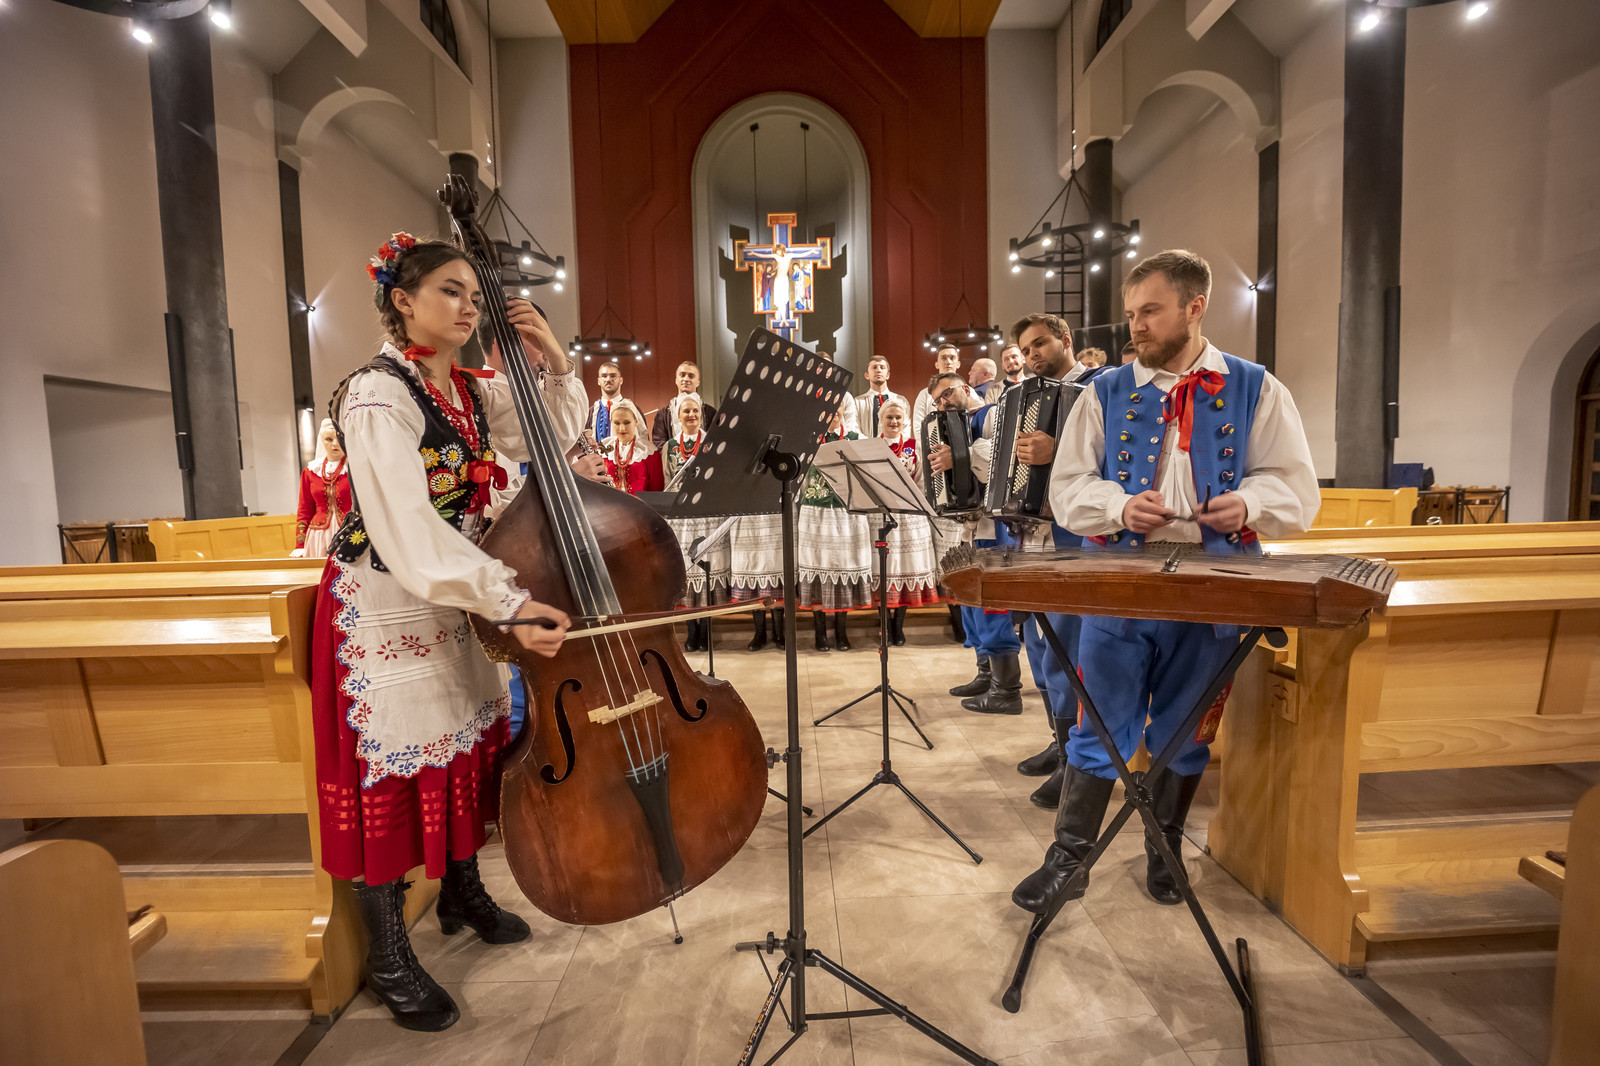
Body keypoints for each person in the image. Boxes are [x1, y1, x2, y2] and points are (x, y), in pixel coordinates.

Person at [312, 232, 584, 1032]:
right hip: (385, 601)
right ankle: (389, 955)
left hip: (453, 594)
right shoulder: (378, 393)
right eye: (451, 292)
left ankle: (462, 893)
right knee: (394, 771)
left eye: (475, 295)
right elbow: (404, 523)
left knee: (469, 745)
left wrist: (555, 359)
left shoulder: (465, 390)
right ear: (403, 300)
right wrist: (505, 599)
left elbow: (546, 434)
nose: (469, 307)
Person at [1011, 249, 1318, 916]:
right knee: (1099, 723)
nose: (1137, 326)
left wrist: (1250, 504)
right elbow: (1068, 488)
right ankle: (1069, 860)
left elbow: (1295, 488)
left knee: (1187, 728)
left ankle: (1165, 845)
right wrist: (1120, 506)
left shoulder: (1255, 387)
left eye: (1149, 311)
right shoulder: (1104, 392)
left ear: (1194, 307)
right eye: (1131, 314)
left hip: (1213, 586)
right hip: (1121, 582)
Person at [796, 395, 872, 650]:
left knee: (843, 567)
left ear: (843, 408)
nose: (833, 412)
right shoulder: (807, 440)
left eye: (837, 406)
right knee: (816, 568)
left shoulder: (856, 439)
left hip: (847, 514)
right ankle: (819, 632)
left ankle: (841, 630)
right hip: (815, 513)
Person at [662, 396, 729, 651]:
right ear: (678, 417)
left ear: (701, 415)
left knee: (707, 569)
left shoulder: (712, 443)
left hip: (707, 514)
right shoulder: (670, 446)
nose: (691, 415)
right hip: (682, 517)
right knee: (689, 570)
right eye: (686, 411)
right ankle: (692, 630)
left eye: (695, 411)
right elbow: (668, 479)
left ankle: (707, 630)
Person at [875, 398, 939, 644]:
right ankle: (884, 623)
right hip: (879, 515)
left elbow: (921, 483)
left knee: (904, 568)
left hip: (908, 516)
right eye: (889, 417)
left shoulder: (913, 447)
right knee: (882, 568)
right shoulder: (872, 447)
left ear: (905, 421)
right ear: (881, 419)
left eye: (898, 418)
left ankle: (898, 625)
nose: (893, 422)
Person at [293, 419, 352, 558]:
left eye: (339, 438)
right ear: (322, 440)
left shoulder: (354, 469)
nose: (335, 444)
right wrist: (300, 544)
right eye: (329, 439)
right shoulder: (310, 471)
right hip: (318, 535)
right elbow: (304, 509)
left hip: (349, 532)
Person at [600, 398, 665, 494]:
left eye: (627, 422)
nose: (622, 428)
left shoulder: (649, 452)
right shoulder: (603, 449)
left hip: (640, 503)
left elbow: (656, 490)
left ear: (636, 421)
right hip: (609, 503)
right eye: (616, 423)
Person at [651, 361, 716, 447]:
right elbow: (659, 442)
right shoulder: (662, 415)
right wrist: (676, 453)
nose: (686, 379)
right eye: (682, 375)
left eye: (691, 376)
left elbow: (715, 439)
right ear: (676, 380)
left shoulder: (711, 413)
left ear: (698, 383)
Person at [910, 343, 962, 430]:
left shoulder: (969, 392)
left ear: (958, 364)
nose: (948, 362)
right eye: (944, 358)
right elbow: (918, 427)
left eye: (952, 358)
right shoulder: (924, 394)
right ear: (937, 364)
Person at [855, 354, 908, 438]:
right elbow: (855, 428)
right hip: (866, 444)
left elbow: (906, 428)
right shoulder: (857, 402)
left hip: (894, 445)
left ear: (888, 375)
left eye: (882, 367)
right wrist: (871, 443)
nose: (878, 370)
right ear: (867, 375)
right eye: (874, 367)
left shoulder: (901, 400)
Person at [587, 360, 625, 438]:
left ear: (621, 380)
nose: (608, 380)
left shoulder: (633, 409)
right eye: (604, 376)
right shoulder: (590, 413)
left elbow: (642, 441)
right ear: (599, 381)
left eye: (613, 376)